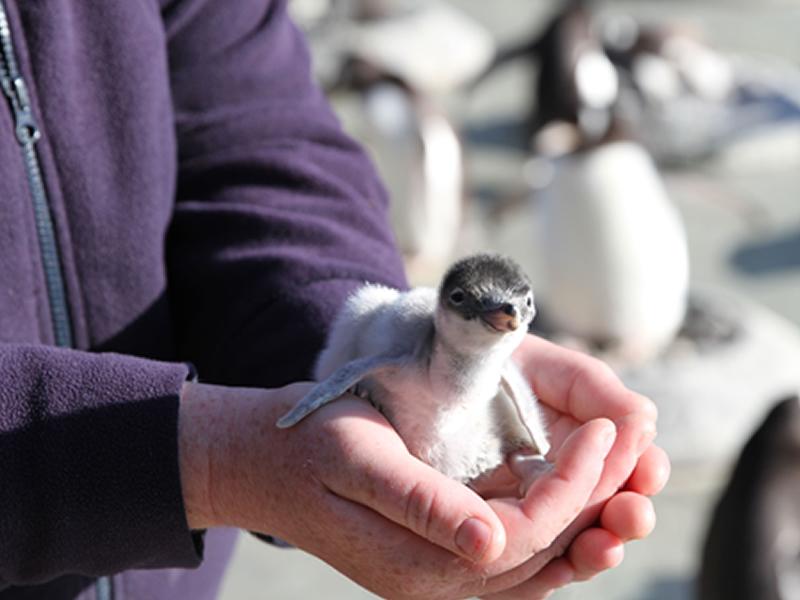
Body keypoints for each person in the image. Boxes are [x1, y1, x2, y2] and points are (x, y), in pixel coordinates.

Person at [0, 0, 669, 598]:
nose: (509, 323)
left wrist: (335, 341)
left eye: (516, 315)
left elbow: (254, 125)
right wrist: (201, 459)